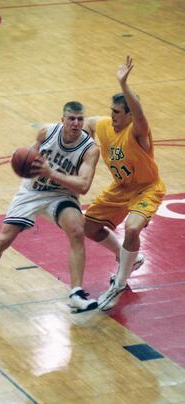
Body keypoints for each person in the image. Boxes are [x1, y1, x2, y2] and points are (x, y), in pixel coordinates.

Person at [0, 101, 100, 312]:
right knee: (4, 240)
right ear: (62, 120)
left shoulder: (89, 149)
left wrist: (52, 174)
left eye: (80, 119)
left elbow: (83, 186)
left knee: (77, 231)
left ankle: (76, 292)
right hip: (32, 191)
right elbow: (30, 156)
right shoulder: (46, 133)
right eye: (71, 119)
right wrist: (24, 161)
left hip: (60, 194)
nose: (76, 123)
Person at [84, 56, 166, 311]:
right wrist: (84, 146)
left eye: (118, 113)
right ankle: (128, 257)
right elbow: (88, 123)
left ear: (130, 116)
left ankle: (119, 282)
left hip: (147, 187)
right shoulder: (106, 125)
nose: (113, 116)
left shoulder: (138, 131)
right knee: (89, 228)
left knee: (132, 229)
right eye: (112, 111)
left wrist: (124, 84)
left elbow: (139, 111)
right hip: (121, 188)